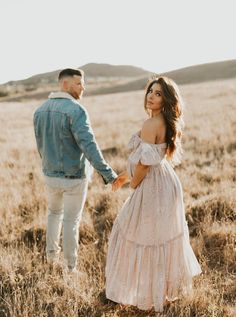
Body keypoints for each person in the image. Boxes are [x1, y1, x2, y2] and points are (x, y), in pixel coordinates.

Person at [105, 76, 202, 312]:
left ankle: (150, 298)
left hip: (153, 185)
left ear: (166, 99)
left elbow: (145, 165)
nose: (151, 95)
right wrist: (125, 176)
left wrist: (133, 183)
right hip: (166, 182)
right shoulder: (163, 121)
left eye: (158, 93)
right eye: (150, 90)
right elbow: (148, 158)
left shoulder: (151, 124)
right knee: (158, 237)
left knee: (140, 235)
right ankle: (162, 295)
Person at [33, 68, 117, 273]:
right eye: (79, 83)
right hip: (73, 178)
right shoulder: (76, 111)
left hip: (50, 175)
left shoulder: (40, 110)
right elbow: (90, 147)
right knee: (71, 221)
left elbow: (41, 146)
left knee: (53, 214)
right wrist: (109, 175)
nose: (83, 87)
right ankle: (70, 267)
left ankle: (51, 258)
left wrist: (49, 167)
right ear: (65, 85)